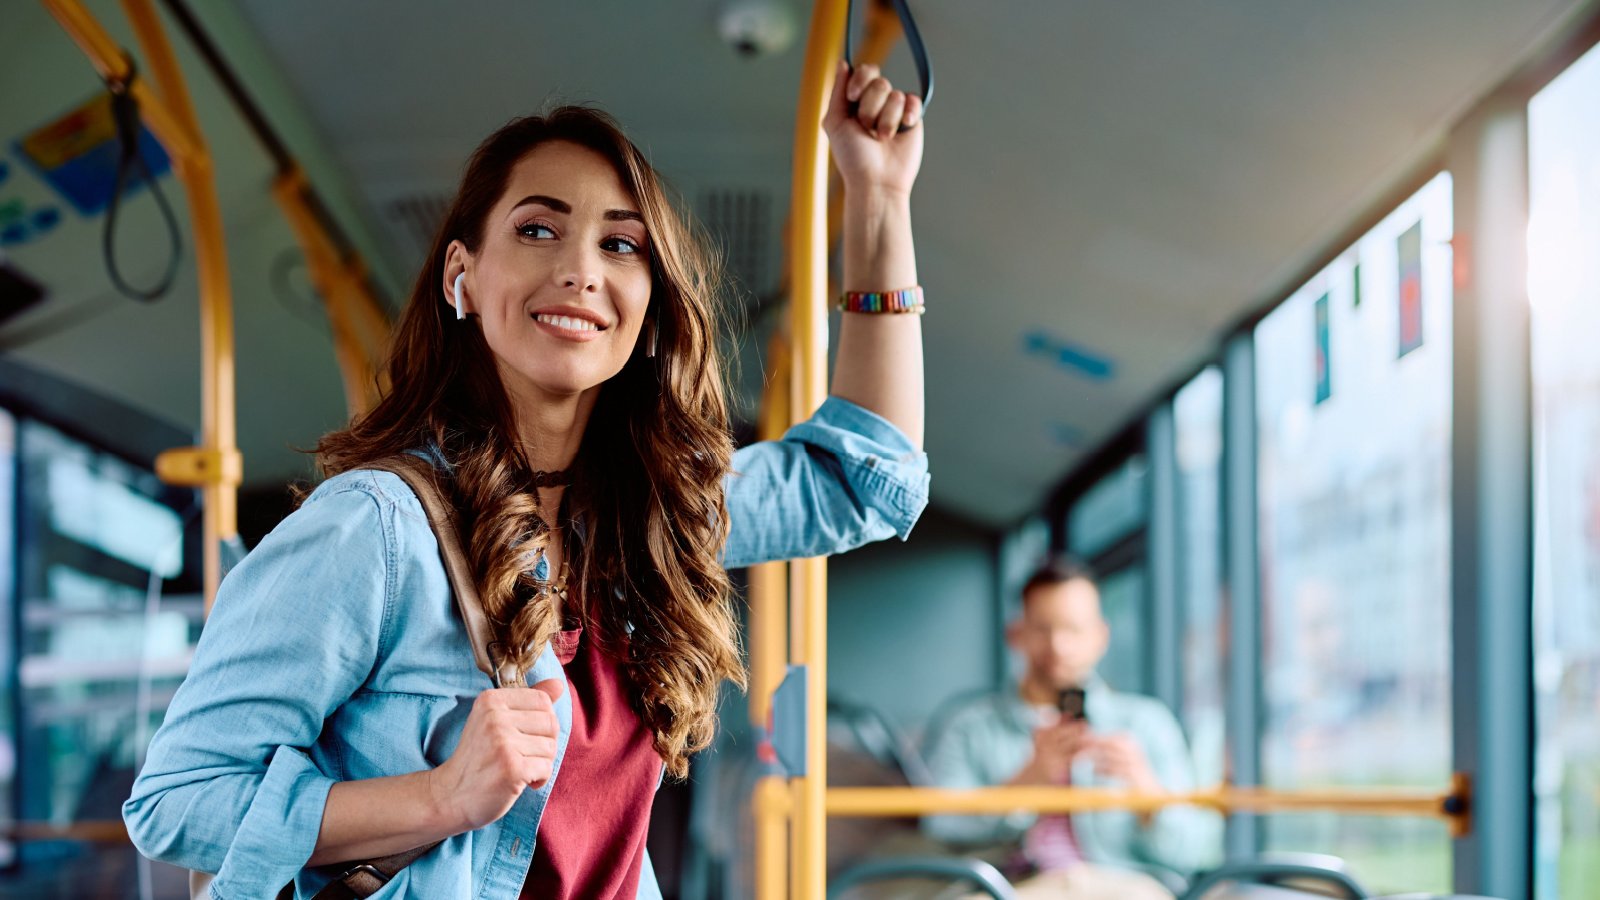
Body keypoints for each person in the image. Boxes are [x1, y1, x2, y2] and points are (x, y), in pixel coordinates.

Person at [123, 61, 929, 899]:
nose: (581, 269)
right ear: (460, 277)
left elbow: (865, 479)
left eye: (621, 244)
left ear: (650, 311)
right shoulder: (376, 530)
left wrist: (878, 195)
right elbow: (178, 803)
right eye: (539, 230)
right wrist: (439, 797)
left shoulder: (645, 518)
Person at [922, 558, 1221, 898]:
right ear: (1015, 634)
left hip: (1121, 888)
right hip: (1009, 889)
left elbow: (1190, 851)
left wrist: (1148, 795)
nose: (1058, 646)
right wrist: (1026, 781)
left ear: (1100, 637)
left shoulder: (1147, 723)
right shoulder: (969, 725)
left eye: (1074, 630)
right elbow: (940, 827)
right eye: (1043, 629)